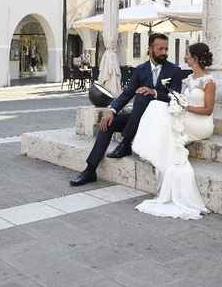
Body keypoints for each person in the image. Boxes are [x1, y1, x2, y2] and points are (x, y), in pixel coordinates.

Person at [70, 33, 183, 186]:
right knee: (108, 122)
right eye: (160, 49)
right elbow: (127, 94)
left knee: (143, 95)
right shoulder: (140, 70)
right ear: (150, 49)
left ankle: (126, 142)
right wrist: (112, 110)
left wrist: (155, 93)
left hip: (159, 121)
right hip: (138, 119)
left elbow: (175, 98)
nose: (164, 52)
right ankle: (90, 170)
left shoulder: (174, 71)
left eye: (166, 49)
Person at [132, 43, 216, 220]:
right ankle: (152, 149)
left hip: (201, 123)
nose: (185, 57)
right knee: (156, 106)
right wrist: (178, 104)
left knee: (166, 121)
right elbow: (181, 99)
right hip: (187, 116)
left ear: (195, 58)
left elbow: (208, 110)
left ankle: (158, 154)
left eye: (188, 55)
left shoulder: (209, 82)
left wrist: (185, 107)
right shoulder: (188, 79)